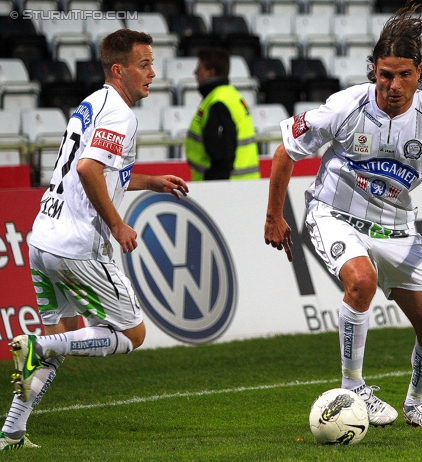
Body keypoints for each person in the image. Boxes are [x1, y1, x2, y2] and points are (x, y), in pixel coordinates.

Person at [264, 1, 422, 429]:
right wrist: (274, 215)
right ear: (374, 70)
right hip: (335, 213)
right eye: (385, 74)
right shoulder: (345, 106)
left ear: (420, 71)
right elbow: (285, 152)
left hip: (397, 231)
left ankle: (416, 404)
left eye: (404, 75)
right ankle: (353, 389)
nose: (393, 85)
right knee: (361, 281)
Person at [0, 29, 189, 450]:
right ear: (119, 69)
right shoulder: (121, 115)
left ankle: (12, 430)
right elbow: (87, 169)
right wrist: (118, 224)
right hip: (77, 248)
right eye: (144, 65)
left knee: (63, 337)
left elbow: (94, 170)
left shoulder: (91, 104)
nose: (153, 73)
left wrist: (148, 181)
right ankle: (37, 343)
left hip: (42, 240)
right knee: (133, 334)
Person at [185, 48, 260, 181]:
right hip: (243, 184)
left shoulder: (217, 102)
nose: (195, 73)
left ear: (211, 72)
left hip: (226, 187)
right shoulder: (231, 95)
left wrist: (212, 187)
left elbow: (222, 155)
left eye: (199, 68)